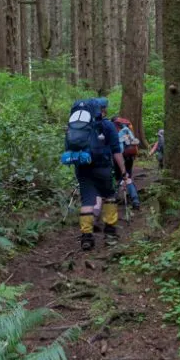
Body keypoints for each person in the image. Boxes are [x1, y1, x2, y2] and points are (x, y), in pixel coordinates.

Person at [62, 97, 127, 251]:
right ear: (100, 110)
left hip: (82, 167)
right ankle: (110, 233)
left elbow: (68, 148)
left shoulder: (73, 128)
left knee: (87, 201)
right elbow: (116, 151)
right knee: (109, 196)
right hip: (103, 167)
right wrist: (123, 171)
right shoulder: (107, 125)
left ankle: (86, 237)